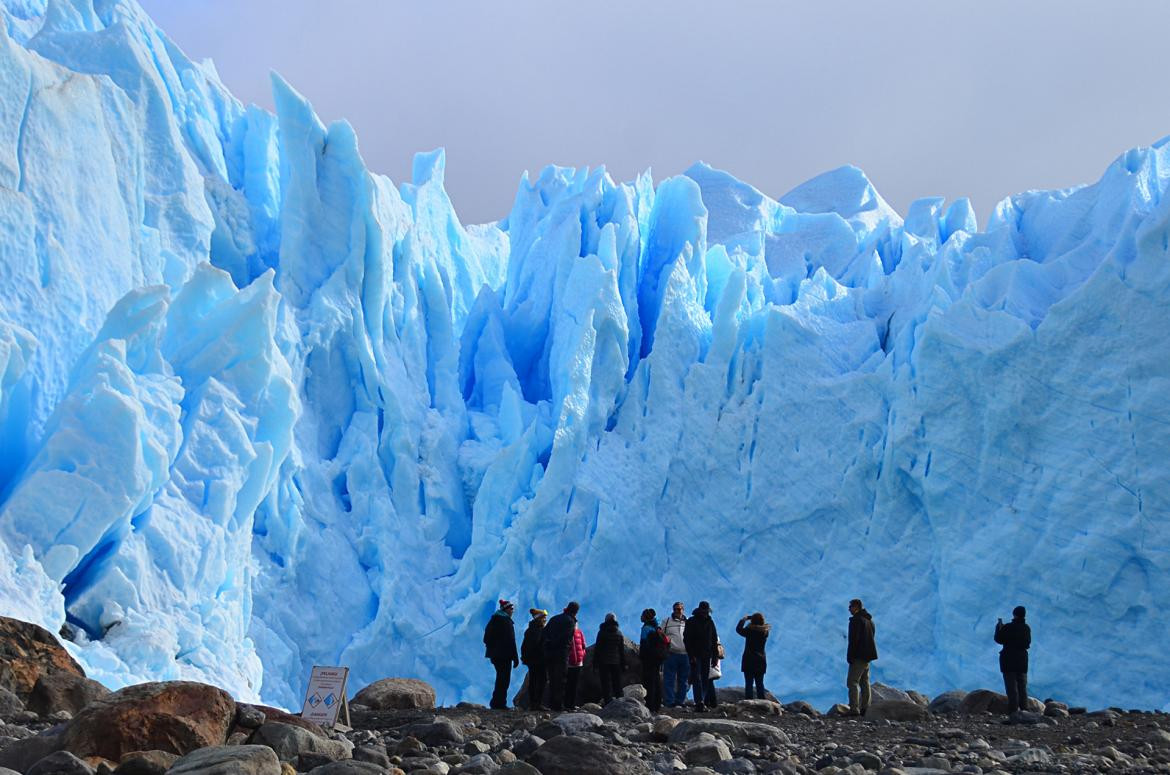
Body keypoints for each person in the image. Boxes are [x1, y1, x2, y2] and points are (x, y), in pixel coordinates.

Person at [541, 601, 579, 711]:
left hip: (550, 653)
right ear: (576, 611)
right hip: (561, 654)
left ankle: (551, 703)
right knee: (560, 679)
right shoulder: (570, 621)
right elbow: (566, 639)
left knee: (552, 678)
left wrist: (548, 645)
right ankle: (557, 705)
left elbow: (544, 633)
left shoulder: (554, 619)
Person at [994, 606, 1032, 714]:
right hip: (1022, 661)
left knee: (1011, 687)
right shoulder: (1026, 628)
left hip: (1008, 660)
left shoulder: (1008, 627)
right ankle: (1025, 710)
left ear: (1014, 614)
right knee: (1022, 686)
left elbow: (999, 639)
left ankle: (1013, 711)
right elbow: (1027, 643)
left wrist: (998, 628)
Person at [483, 599, 519, 709]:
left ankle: (496, 702)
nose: (512, 611)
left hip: (495, 655)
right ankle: (499, 703)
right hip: (504, 656)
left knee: (500, 678)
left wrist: (493, 649)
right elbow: (511, 641)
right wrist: (515, 657)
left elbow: (486, 638)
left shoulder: (493, 620)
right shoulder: (506, 621)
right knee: (504, 679)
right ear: (506, 609)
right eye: (511, 609)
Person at [684, 600, 719, 710]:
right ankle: (699, 701)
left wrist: (715, 656)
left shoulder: (710, 622)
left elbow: (714, 640)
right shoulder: (692, 621)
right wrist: (691, 655)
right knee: (696, 678)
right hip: (695, 655)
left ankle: (702, 701)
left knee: (704, 678)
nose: (705, 613)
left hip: (707, 655)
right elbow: (687, 639)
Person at [846, 598, 877, 717]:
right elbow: (871, 637)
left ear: (856, 607)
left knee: (852, 681)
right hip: (868, 656)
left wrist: (850, 656)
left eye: (850, 607)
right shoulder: (869, 621)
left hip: (858, 656)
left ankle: (854, 708)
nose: (849, 609)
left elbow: (854, 640)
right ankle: (866, 708)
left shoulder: (856, 621)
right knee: (865, 681)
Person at [593, 612, 627, 705]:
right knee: (617, 682)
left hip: (604, 661)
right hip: (616, 661)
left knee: (606, 683)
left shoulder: (602, 632)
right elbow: (621, 650)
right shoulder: (619, 633)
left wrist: (595, 664)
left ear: (606, 620)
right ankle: (620, 701)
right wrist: (624, 664)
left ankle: (608, 702)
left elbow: (598, 649)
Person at [736, 612, 770, 700]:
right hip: (761, 660)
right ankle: (762, 703)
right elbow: (762, 627)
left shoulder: (749, 631)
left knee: (749, 683)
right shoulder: (765, 632)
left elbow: (738, 629)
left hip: (749, 660)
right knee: (760, 683)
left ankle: (749, 703)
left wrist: (744, 619)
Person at [638, 608, 666, 713]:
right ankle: (657, 705)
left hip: (649, 658)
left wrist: (641, 657)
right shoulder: (656, 627)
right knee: (656, 680)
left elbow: (644, 644)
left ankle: (650, 705)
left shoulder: (646, 628)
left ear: (645, 617)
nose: (641, 617)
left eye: (642, 615)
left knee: (649, 681)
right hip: (658, 658)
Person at [662, 601, 690, 707]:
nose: (678, 611)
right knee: (669, 679)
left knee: (683, 680)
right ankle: (670, 701)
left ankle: (680, 701)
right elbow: (661, 635)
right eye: (676, 609)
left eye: (680, 609)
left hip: (685, 654)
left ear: (683, 610)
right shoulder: (667, 621)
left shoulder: (688, 622)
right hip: (671, 654)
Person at [520, 608, 548, 710]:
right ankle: (537, 703)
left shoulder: (530, 630)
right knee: (540, 680)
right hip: (539, 660)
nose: (545, 619)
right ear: (539, 618)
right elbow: (537, 645)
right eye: (544, 617)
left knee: (533, 680)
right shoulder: (538, 630)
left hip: (532, 660)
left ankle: (533, 703)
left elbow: (525, 646)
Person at [564, 620, 587, 708]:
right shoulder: (567, 633)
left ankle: (572, 704)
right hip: (570, 663)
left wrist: (582, 655)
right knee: (569, 684)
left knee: (574, 684)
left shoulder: (579, 632)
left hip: (578, 663)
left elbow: (583, 645)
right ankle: (567, 704)